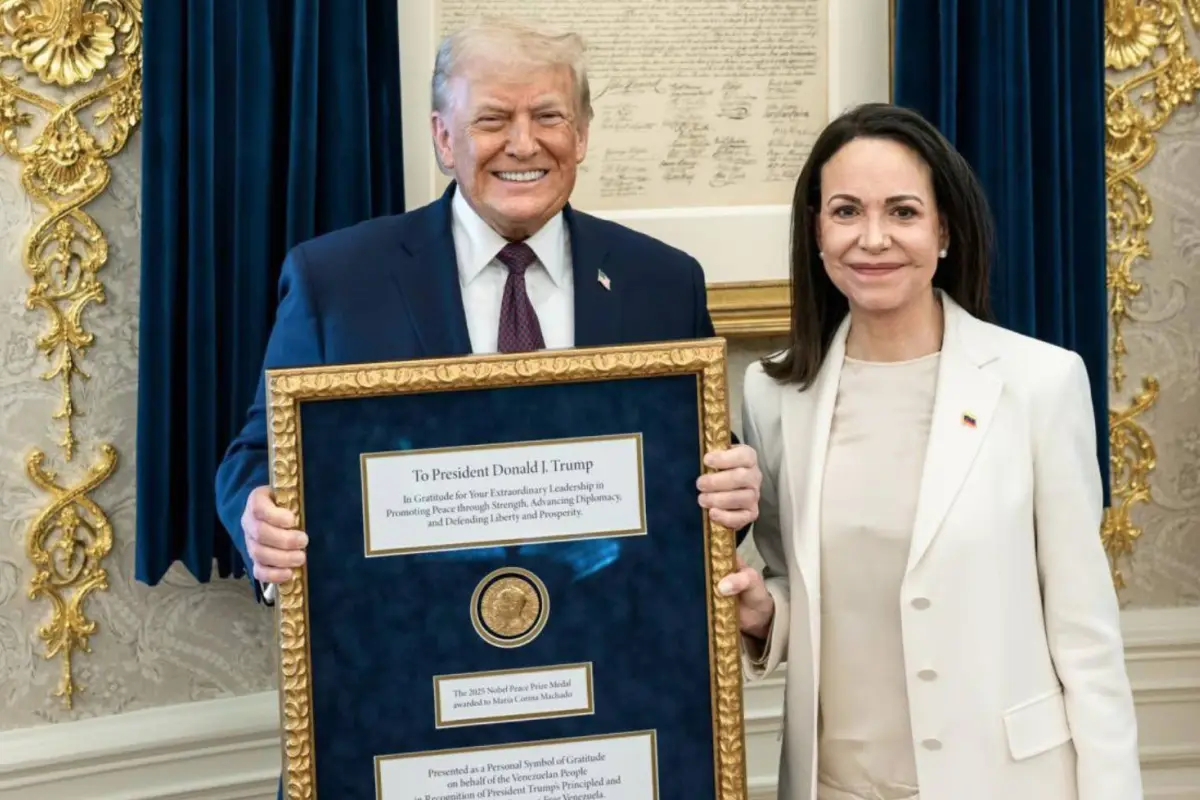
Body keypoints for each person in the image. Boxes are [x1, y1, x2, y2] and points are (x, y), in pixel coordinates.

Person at [214, 18, 761, 600]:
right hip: (405, 640)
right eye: (492, 120)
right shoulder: (336, 282)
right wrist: (260, 519)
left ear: (581, 135)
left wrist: (731, 494)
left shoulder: (663, 281)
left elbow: (699, 467)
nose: (523, 144)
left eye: (548, 117)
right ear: (444, 138)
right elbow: (260, 454)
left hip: (610, 637)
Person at [718, 103, 1142, 800]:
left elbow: (1085, 633)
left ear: (944, 230)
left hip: (1006, 782)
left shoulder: (1040, 382)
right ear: (816, 231)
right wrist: (767, 614)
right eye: (847, 211)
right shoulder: (773, 393)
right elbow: (801, 579)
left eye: (904, 213)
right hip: (835, 784)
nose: (873, 239)